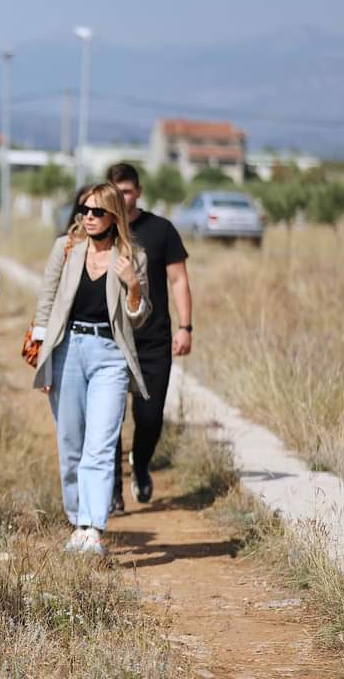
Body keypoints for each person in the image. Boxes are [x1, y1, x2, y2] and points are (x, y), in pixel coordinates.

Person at [25, 182, 151, 556]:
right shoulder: (66, 249)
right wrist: (42, 356)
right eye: (84, 211)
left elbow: (140, 318)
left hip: (110, 355)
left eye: (97, 212)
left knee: (101, 442)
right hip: (67, 350)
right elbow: (46, 300)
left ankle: (93, 527)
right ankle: (77, 521)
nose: (89, 218)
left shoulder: (132, 256)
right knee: (70, 442)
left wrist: (133, 287)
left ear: (114, 215)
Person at [106, 163, 193, 512]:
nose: (122, 197)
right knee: (108, 416)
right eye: (116, 191)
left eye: (127, 191)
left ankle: (140, 464)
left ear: (138, 192)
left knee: (150, 416)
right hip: (112, 340)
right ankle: (111, 489)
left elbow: (179, 280)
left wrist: (185, 327)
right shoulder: (101, 229)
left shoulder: (161, 230)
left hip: (154, 339)